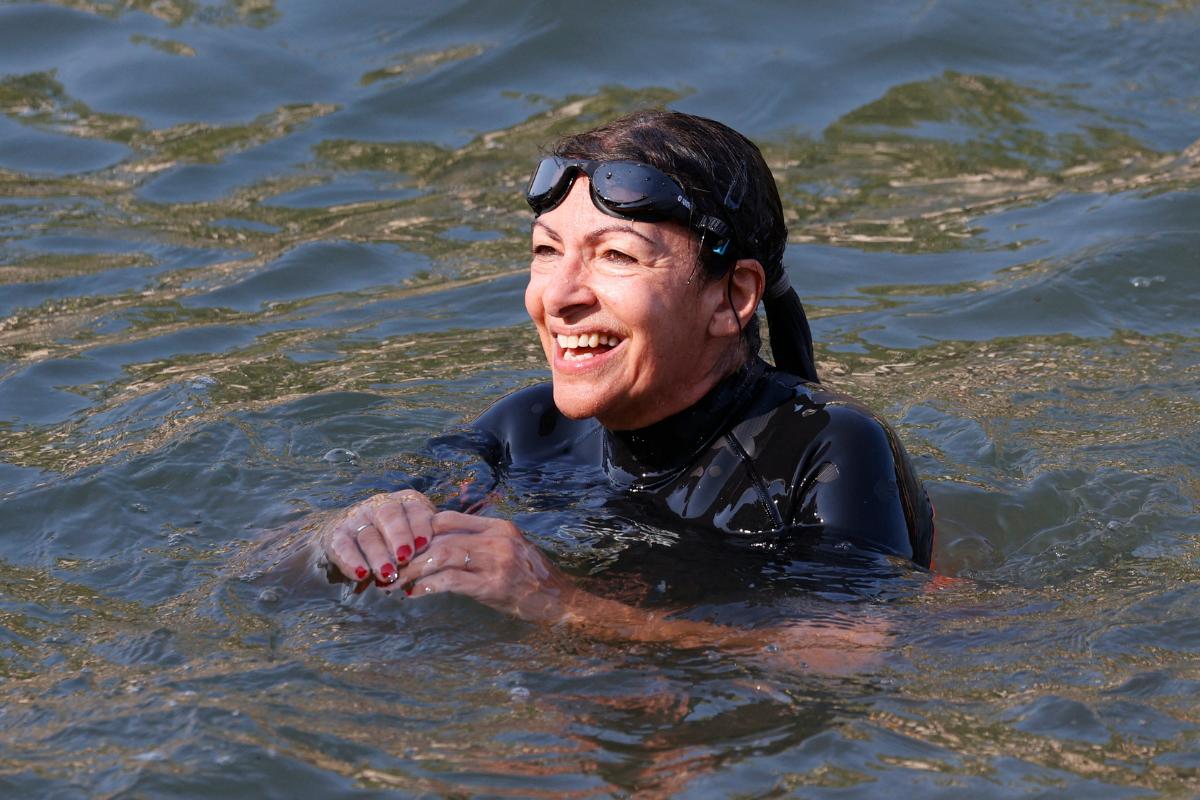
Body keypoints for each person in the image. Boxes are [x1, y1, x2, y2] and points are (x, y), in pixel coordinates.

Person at [311, 110, 934, 662]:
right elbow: (274, 550)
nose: (557, 295)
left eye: (616, 256)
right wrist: (355, 526)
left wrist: (557, 603)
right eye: (547, 251)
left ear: (732, 298)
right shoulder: (526, 430)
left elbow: (849, 651)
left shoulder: (822, 448)